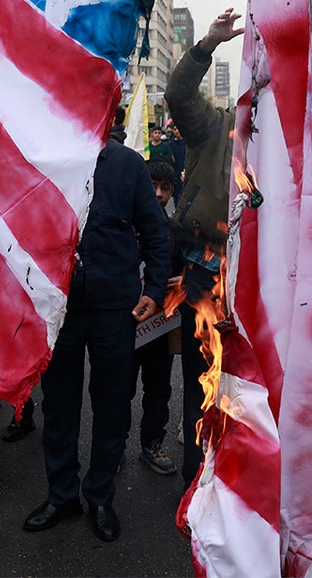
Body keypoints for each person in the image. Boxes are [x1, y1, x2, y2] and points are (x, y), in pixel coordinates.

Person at [23, 121, 171, 543]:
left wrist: (155, 290)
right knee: (59, 405)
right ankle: (62, 494)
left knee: (111, 405)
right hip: (61, 306)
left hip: (115, 307)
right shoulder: (45, 159)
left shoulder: (127, 165)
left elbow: (156, 233)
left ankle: (101, 495)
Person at [162, 7, 241, 484]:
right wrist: (207, 45)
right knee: (201, 378)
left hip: (262, 276)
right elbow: (177, 93)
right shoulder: (214, 126)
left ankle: (240, 484)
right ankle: (198, 483)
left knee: (250, 384)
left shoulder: (287, 139)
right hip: (206, 273)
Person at [133, 158, 180, 476]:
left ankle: (152, 443)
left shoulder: (175, 229)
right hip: (123, 323)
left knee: (158, 388)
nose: (159, 195)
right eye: (152, 187)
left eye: (165, 188)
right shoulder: (121, 225)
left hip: (160, 326)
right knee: (118, 389)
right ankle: (113, 447)